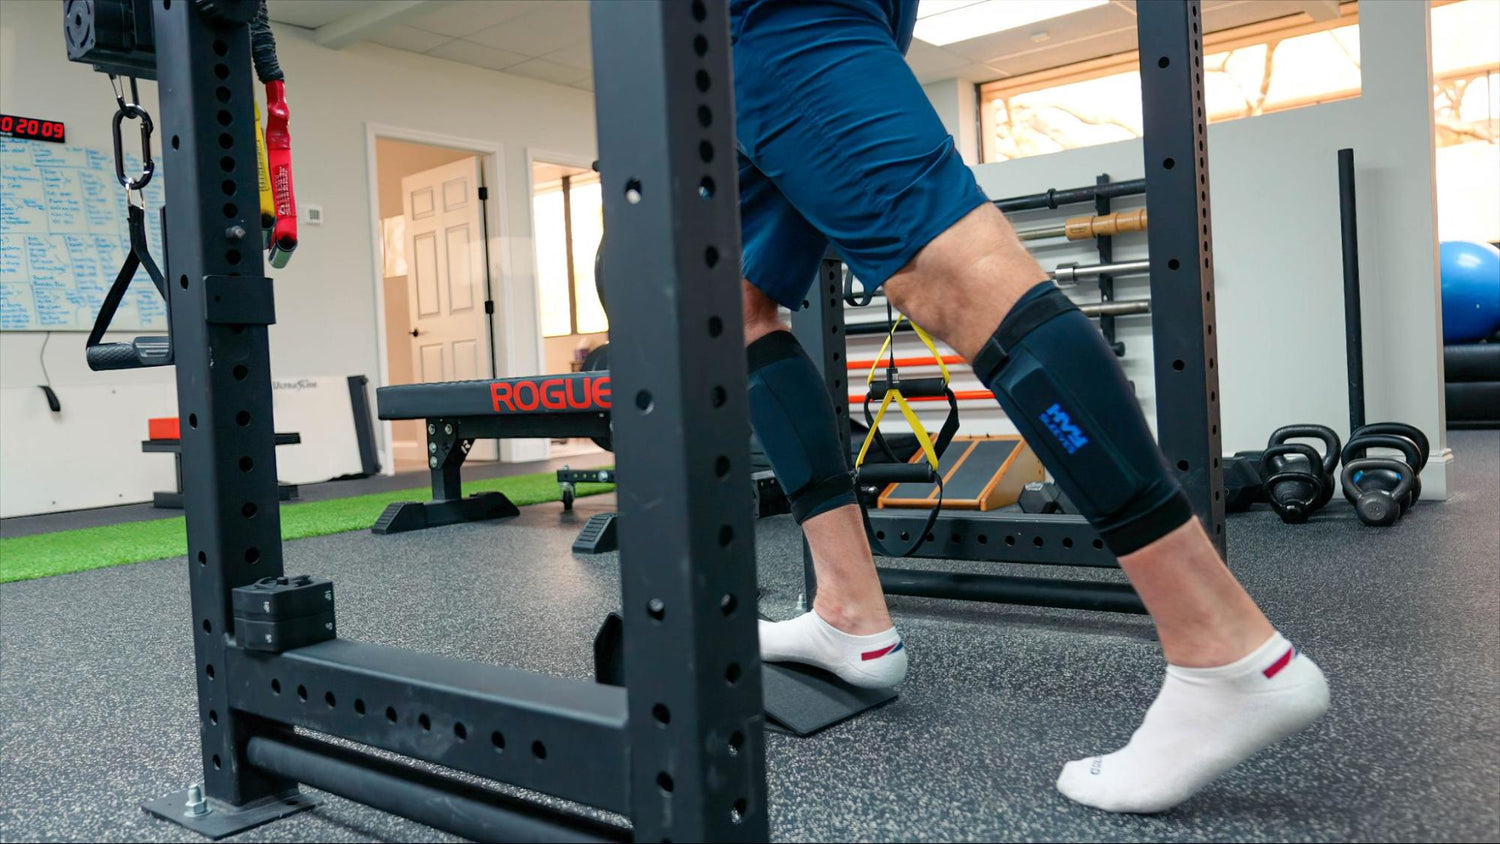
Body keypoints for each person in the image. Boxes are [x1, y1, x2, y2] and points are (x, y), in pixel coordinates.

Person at [732, 0, 1330, 814]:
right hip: (712, 43)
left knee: (954, 271)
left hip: (760, 11)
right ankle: (848, 617)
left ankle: (1227, 651)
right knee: (731, 306)